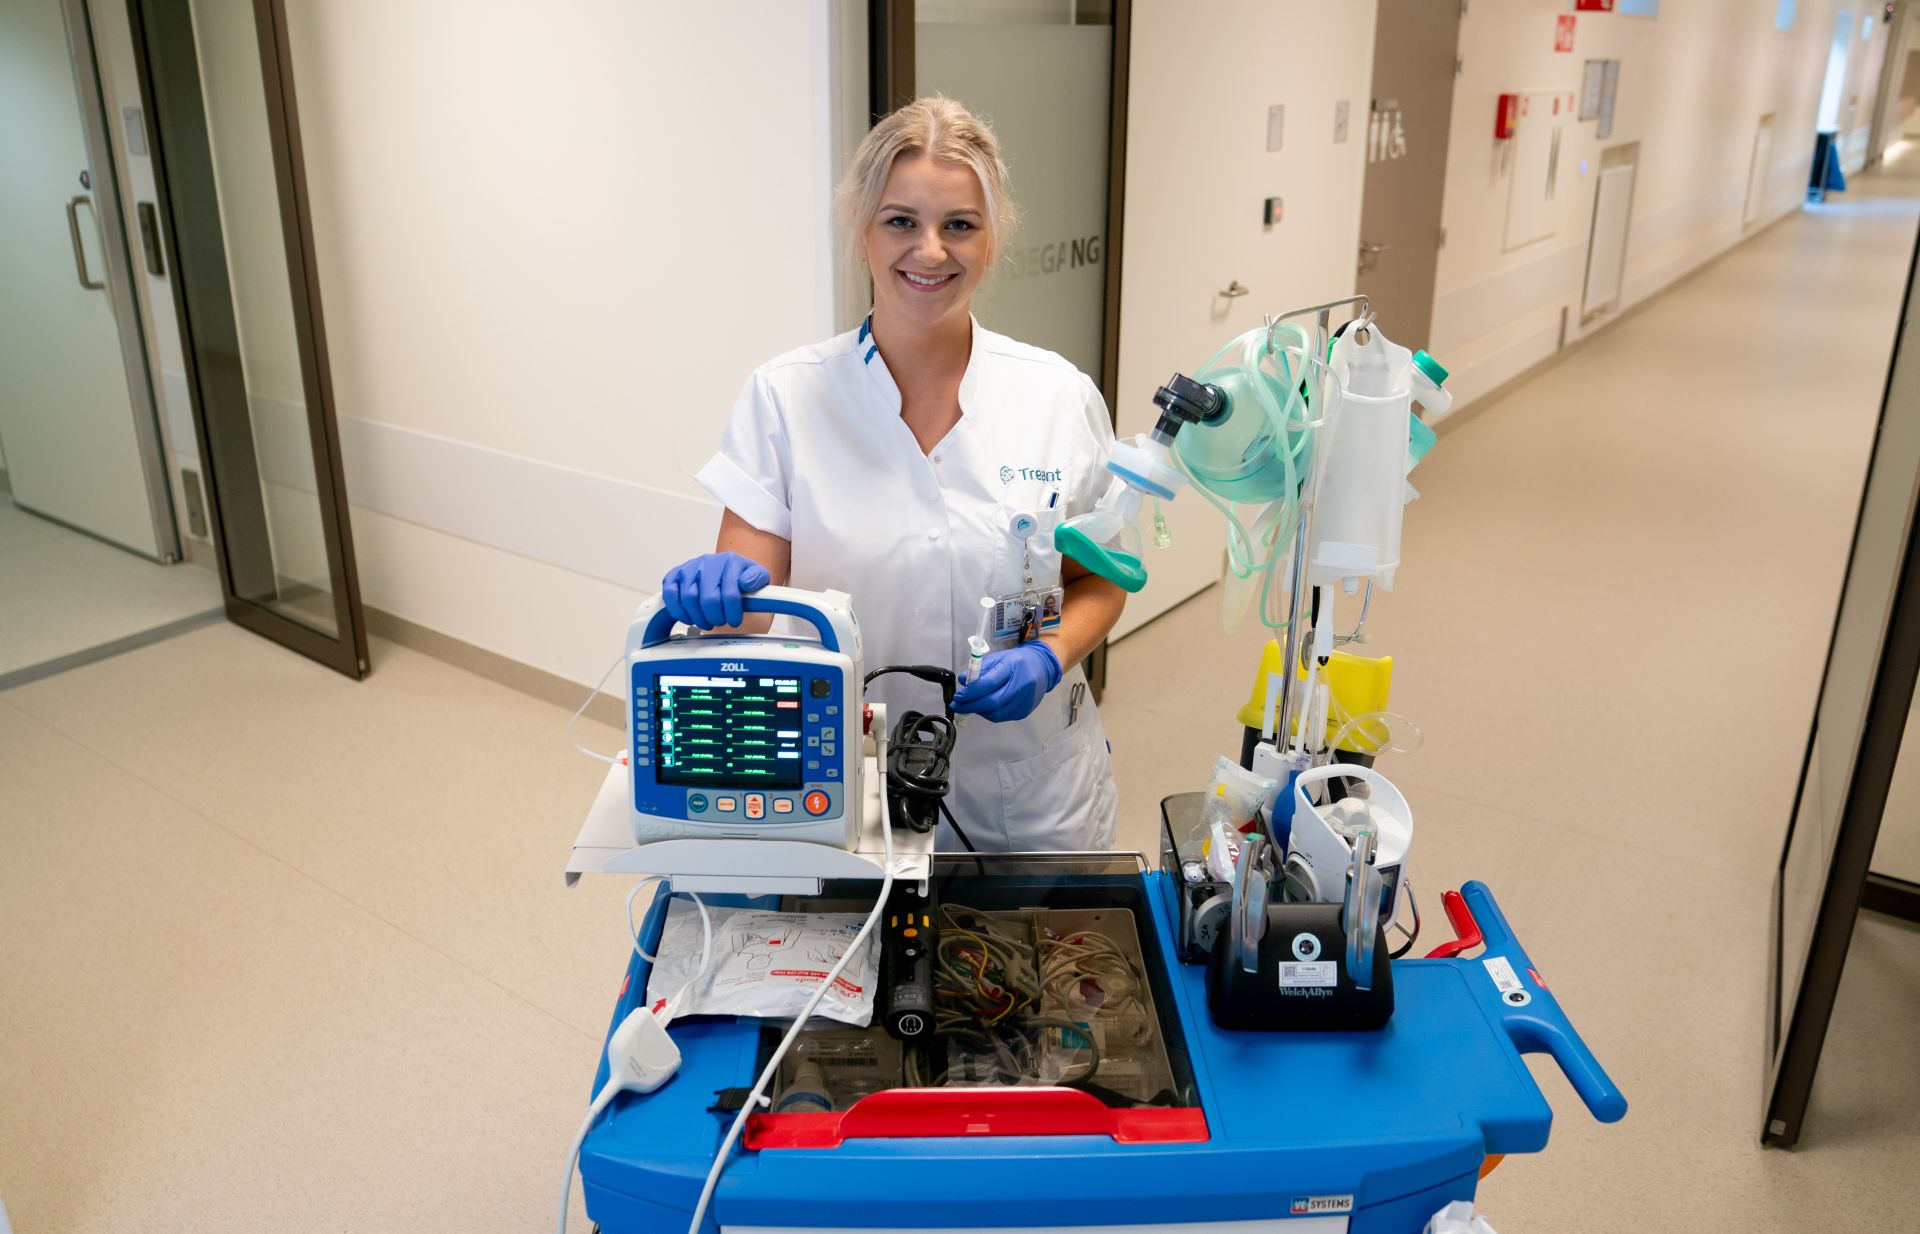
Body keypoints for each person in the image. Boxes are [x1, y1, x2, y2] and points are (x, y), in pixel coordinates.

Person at [659, 97, 1124, 852]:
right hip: (847, 780)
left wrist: (1050, 653)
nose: (931, 251)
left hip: (1030, 793)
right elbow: (752, 608)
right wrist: (715, 596)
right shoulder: (787, 397)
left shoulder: (1057, 398)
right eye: (901, 220)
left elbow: (1099, 582)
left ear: (993, 235)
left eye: (959, 225)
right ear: (863, 231)